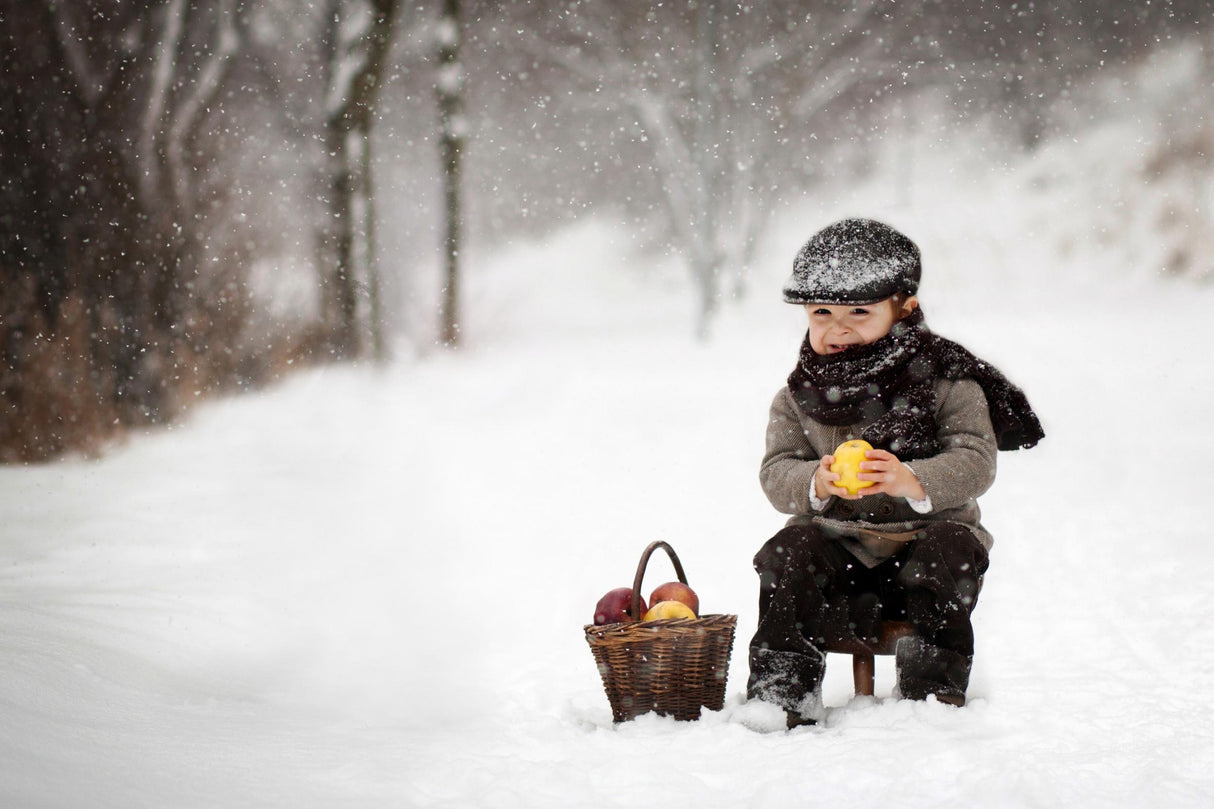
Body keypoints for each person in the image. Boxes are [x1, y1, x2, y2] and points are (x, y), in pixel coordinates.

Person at [747, 217, 1044, 727]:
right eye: (822, 313)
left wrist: (914, 479)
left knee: (950, 552)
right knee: (787, 554)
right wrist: (814, 483)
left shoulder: (947, 381)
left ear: (904, 307)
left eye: (858, 312)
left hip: (923, 543)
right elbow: (777, 471)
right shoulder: (798, 396)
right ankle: (782, 689)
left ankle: (932, 692)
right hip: (838, 551)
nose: (837, 328)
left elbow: (975, 458)